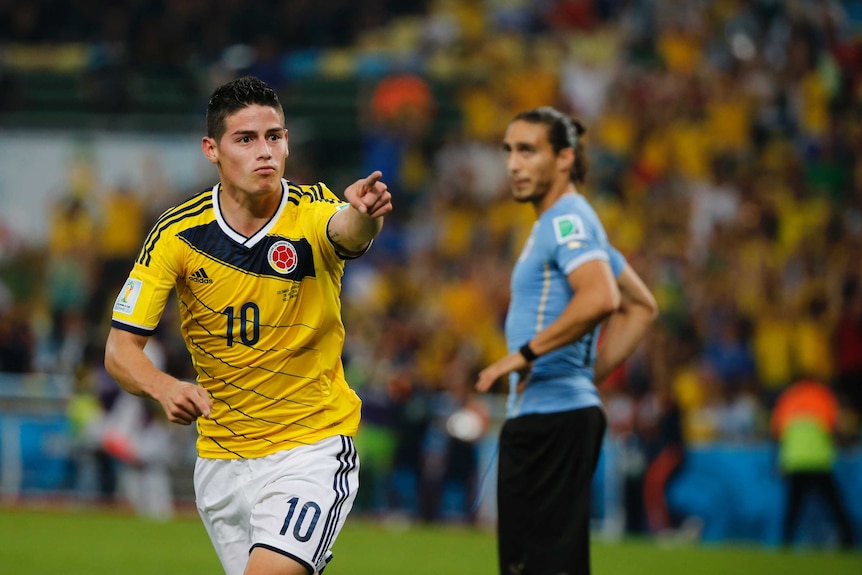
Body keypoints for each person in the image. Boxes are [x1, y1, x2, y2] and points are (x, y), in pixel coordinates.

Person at [104, 75, 392, 575]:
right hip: (221, 462)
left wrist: (365, 213)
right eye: (246, 139)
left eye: (275, 136)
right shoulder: (177, 234)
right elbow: (120, 350)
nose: (266, 152)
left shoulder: (312, 212)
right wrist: (163, 386)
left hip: (311, 450)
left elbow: (347, 229)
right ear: (211, 150)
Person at [476, 106, 656, 575]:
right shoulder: (571, 223)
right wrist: (585, 375)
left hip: (547, 421)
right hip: (559, 412)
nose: (513, 164)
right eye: (508, 151)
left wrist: (525, 354)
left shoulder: (566, 219)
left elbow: (600, 297)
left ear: (564, 158)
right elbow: (641, 307)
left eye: (528, 150)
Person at [771, 378, 855, 549]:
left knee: (794, 507)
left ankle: (786, 542)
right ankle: (848, 539)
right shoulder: (823, 396)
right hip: (818, 460)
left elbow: (777, 431)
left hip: (795, 460)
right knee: (834, 504)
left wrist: (780, 461)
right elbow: (834, 426)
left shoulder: (789, 397)